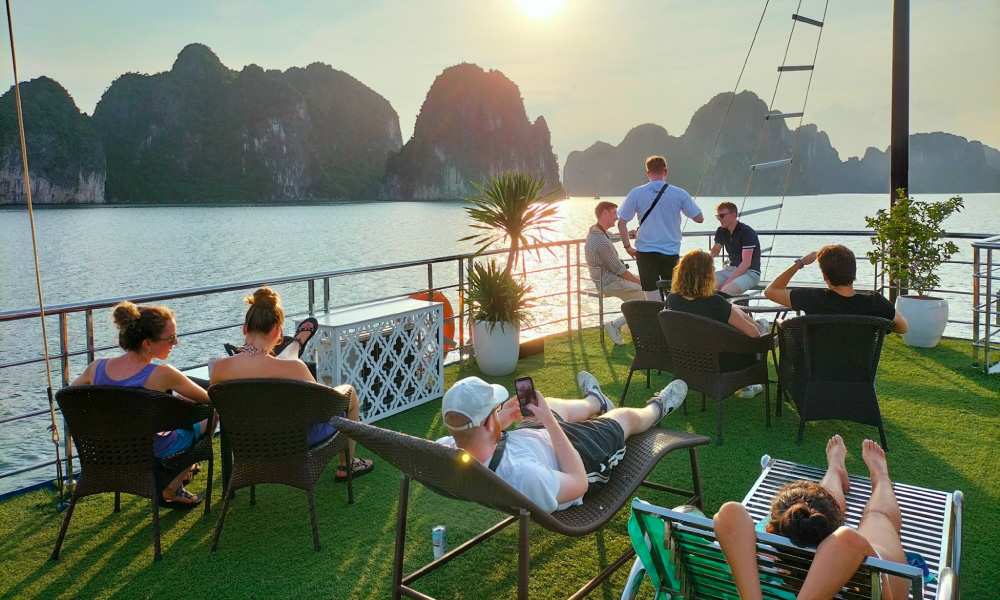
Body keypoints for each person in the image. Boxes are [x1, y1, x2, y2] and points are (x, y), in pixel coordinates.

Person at [436, 372, 687, 513]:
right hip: (576, 457)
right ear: (488, 424)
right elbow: (578, 483)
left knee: (553, 405)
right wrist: (548, 421)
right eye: (495, 409)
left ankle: (595, 401)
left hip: (527, 441)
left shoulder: (446, 449)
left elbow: (472, 435)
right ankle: (658, 408)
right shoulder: (526, 477)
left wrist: (502, 418)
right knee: (623, 418)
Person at [713, 436, 910, 600]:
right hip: (880, 573)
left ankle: (835, 470)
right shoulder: (848, 546)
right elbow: (846, 542)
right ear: (839, 523)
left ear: (770, 530)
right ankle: (881, 477)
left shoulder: (752, 563)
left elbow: (730, 514)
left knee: (822, 497)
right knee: (877, 515)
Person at [210, 287, 374, 482]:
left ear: (245, 328)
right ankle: (346, 465)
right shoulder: (294, 369)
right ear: (277, 331)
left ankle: (295, 345)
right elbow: (323, 410)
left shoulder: (219, 368)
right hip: (293, 442)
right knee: (351, 394)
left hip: (249, 444)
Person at [71, 301, 212, 508]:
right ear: (147, 344)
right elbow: (208, 399)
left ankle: (184, 473)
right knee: (211, 415)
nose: (176, 342)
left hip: (107, 453)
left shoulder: (95, 368)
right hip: (151, 451)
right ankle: (172, 487)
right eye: (171, 338)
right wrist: (179, 403)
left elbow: (69, 396)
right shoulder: (163, 374)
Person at [665, 249, 769, 398]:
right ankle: (748, 385)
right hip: (722, 362)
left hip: (688, 359)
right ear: (707, 275)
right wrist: (732, 309)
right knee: (759, 328)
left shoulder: (672, 299)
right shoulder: (715, 303)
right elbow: (753, 333)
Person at [763, 244, 908, 333]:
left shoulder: (812, 299)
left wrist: (800, 263)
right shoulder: (876, 302)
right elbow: (903, 327)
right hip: (859, 380)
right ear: (854, 271)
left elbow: (771, 291)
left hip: (816, 378)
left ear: (825, 276)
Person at [616, 155, 704, 302]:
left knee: (652, 295)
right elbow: (699, 218)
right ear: (666, 172)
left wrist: (627, 247)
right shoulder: (679, 193)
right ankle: (671, 321)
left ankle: (655, 322)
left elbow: (621, 223)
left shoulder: (637, 193)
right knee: (673, 293)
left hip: (645, 252)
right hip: (670, 251)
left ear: (648, 173)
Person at [585, 200, 645, 345]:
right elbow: (620, 270)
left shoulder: (596, 231)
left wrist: (628, 233)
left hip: (605, 278)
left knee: (642, 293)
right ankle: (615, 325)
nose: (617, 217)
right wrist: (640, 282)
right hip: (608, 282)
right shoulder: (601, 242)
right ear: (605, 213)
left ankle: (635, 328)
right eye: (614, 213)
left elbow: (611, 237)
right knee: (646, 295)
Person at [710, 201, 762, 295]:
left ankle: (736, 308)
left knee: (725, 291)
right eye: (717, 216)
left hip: (750, 273)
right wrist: (701, 260)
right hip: (730, 269)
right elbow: (716, 250)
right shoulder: (721, 231)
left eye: (722, 216)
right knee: (701, 284)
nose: (719, 219)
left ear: (733, 215)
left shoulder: (746, 232)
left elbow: (746, 263)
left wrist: (726, 283)